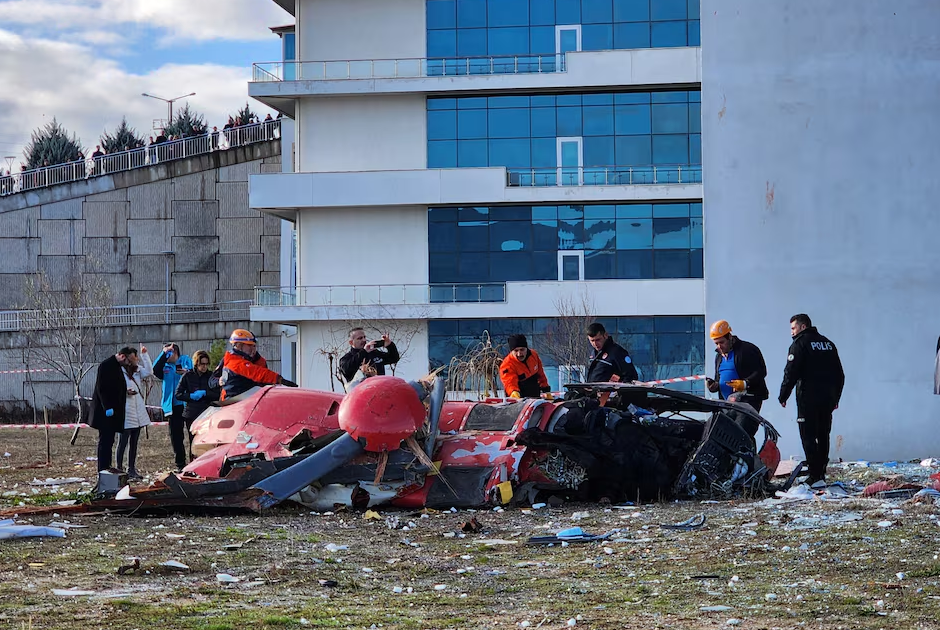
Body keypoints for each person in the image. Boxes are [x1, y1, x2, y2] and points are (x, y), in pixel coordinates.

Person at [778, 314, 845, 487]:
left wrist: (783, 395)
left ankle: (814, 476)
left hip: (808, 399)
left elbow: (790, 372)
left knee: (808, 436)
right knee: (823, 435)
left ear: (802, 327)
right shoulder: (828, 344)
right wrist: (835, 398)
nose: (791, 332)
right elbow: (840, 374)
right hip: (827, 399)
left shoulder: (799, 344)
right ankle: (820, 472)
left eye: (793, 328)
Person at [89, 347, 139, 472]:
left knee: (109, 441)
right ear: (123, 356)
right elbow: (102, 388)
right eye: (129, 361)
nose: (129, 364)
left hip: (113, 412)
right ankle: (103, 468)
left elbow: (114, 385)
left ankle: (107, 466)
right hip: (105, 412)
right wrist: (108, 407)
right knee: (105, 442)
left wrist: (124, 391)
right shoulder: (106, 365)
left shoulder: (117, 366)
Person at [212, 329, 297, 400]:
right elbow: (257, 373)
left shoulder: (255, 360)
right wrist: (279, 380)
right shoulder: (235, 362)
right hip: (235, 400)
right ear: (238, 345)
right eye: (249, 345)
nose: (252, 348)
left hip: (244, 399)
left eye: (253, 346)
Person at [705, 320, 769, 412]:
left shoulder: (747, 350)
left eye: (722, 342)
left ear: (730, 337)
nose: (719, 346)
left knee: (742, 426)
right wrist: (715, 386)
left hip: (747, 402)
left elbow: (761, 371)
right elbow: (718, 379)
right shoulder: (719, 356)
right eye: (716, 343)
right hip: (727, 404)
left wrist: (745, 383)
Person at [153, 343, 193, 471]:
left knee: (192, 433)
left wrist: (185, 372)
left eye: (169, 353)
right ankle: (180, 464)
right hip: (172, 406)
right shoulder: (164, 366)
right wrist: (163, 354)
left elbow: (192, 371)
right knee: (176, 436)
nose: (167, 356)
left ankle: (195, 460)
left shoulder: (185, 360)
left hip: (186, 404)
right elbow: (155, 370)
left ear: (175, 352)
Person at [175, 350, 221, 459]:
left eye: (206, 364)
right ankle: (193, 463)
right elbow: (178, 394)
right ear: (197, 363)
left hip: (208, 412)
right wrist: (190, 396)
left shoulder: (211, 376)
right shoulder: (188, 376)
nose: (204, 367)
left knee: (208, 441)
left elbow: (218, 394)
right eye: (202, 364)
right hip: (192, 413)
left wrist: (206, 394)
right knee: (194, 441)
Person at [116, 345, 153, 480]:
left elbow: (149, 372)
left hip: (137, 412)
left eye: (136, 357)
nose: (136, 359)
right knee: (122, 442)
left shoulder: (137, 370)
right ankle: (118, 469)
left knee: (134, 443)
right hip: (125, 412)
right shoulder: (118, 371)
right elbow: (112, 389)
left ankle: (131, 468)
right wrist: (124, 392)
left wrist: (145, 356)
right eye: (133, 357)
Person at [499, 334, 553, 400]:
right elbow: (509, 382)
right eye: (516, 351)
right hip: (519, 399)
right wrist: (514, 392)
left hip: (535, 396)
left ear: (526, 348)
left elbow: (541, 375)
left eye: (522, 350)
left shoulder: (534, 355)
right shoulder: (507, 365)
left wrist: (546, 390)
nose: (519, 354)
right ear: (511, 351)